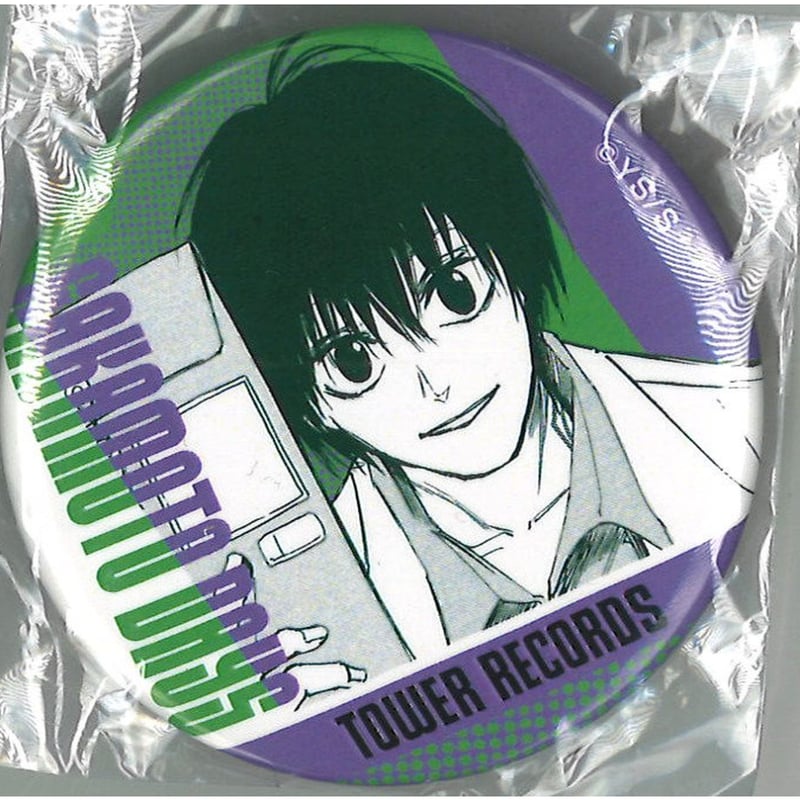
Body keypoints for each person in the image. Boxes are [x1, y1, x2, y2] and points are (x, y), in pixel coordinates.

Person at [181, 42, 760, 687]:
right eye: (352, 361)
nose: (436, 382)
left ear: (510, 258)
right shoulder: (309, 614)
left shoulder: (720, 421)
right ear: (308, 403)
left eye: (454, 293)